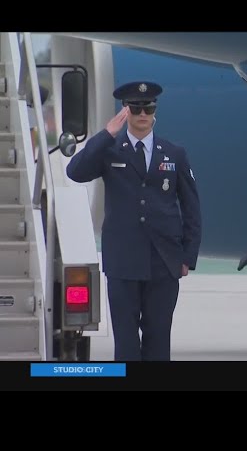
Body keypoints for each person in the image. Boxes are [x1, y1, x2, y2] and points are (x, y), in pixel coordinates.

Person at [66, 81, 201, 361]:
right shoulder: (111, 150)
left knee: (158, 339)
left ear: (155, 111)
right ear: (125, 110)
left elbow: (191, 208)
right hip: (123, 260)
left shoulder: (173, 153)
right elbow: (75, 172)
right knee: (126, 341)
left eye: (148, 108)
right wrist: (106, 135)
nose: (142, 114)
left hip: (163, 260)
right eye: (136, 108)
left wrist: (188, 256)